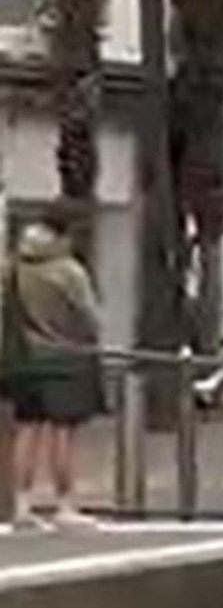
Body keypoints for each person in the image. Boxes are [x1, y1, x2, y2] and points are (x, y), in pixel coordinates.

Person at [2, 201, 104, 531]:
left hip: (22, 358)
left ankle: (21, 504)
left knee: (26, 430)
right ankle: (64, 504)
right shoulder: (68, 270)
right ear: (66, 233)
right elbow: (90, 316)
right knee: (62, 432)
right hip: (65, 358)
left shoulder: (13, 265)